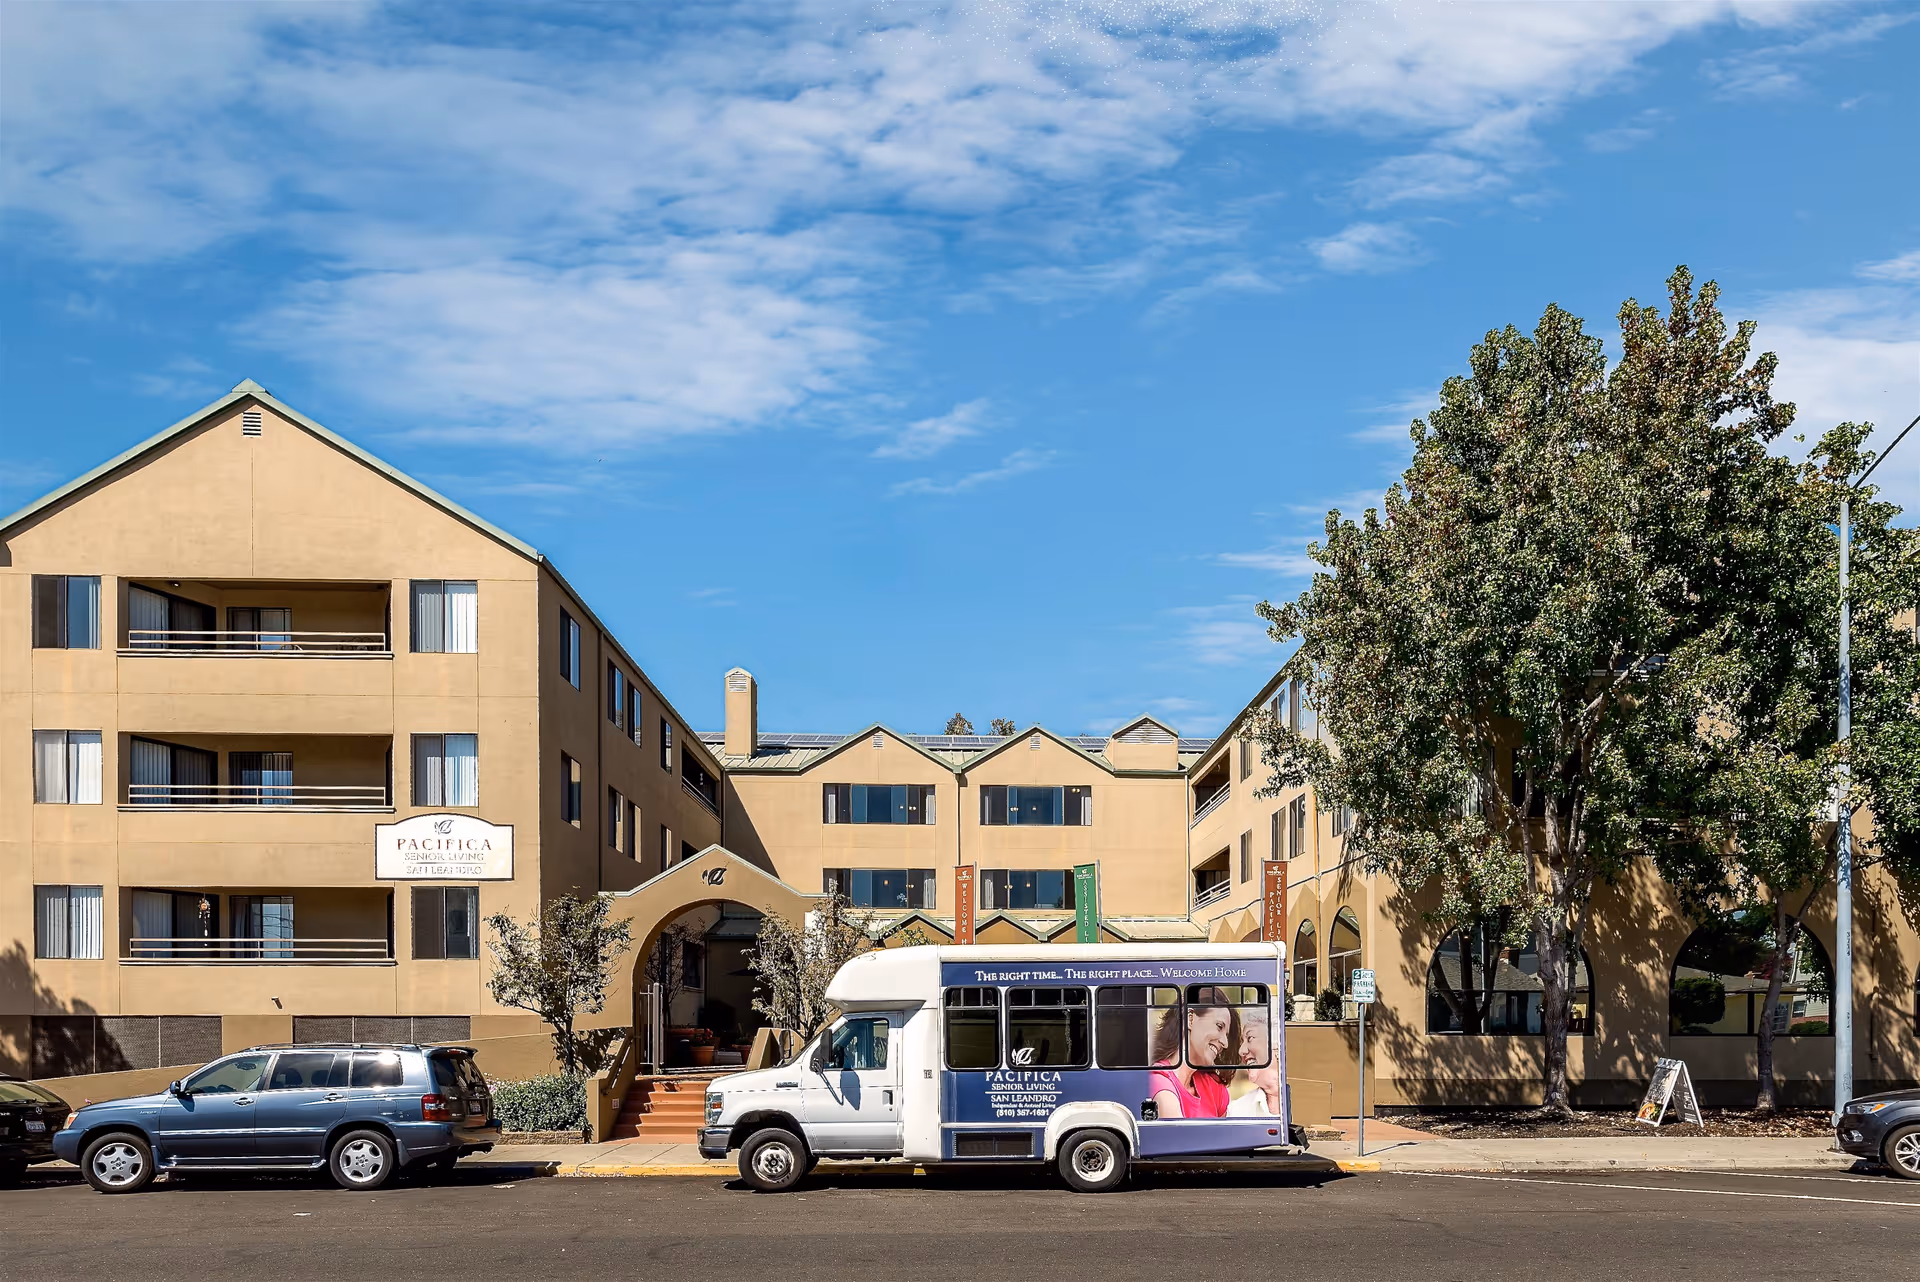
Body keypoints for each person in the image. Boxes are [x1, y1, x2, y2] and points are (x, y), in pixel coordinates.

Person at [1147, 991, 1239, 1119]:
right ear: (1190, 1019)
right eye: (1219, 1026)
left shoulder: (1215, 1088)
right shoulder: (1159, 1083)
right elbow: (1180, 1138)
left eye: (1227, 1035)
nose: (1225, 1043)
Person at [1226, 1010, 1282, 1116]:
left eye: (1250, 1038)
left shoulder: (1306, 1098)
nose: (1241, 1051)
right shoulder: (1238, 1111)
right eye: (1242, 1042)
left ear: (1277, 1044)